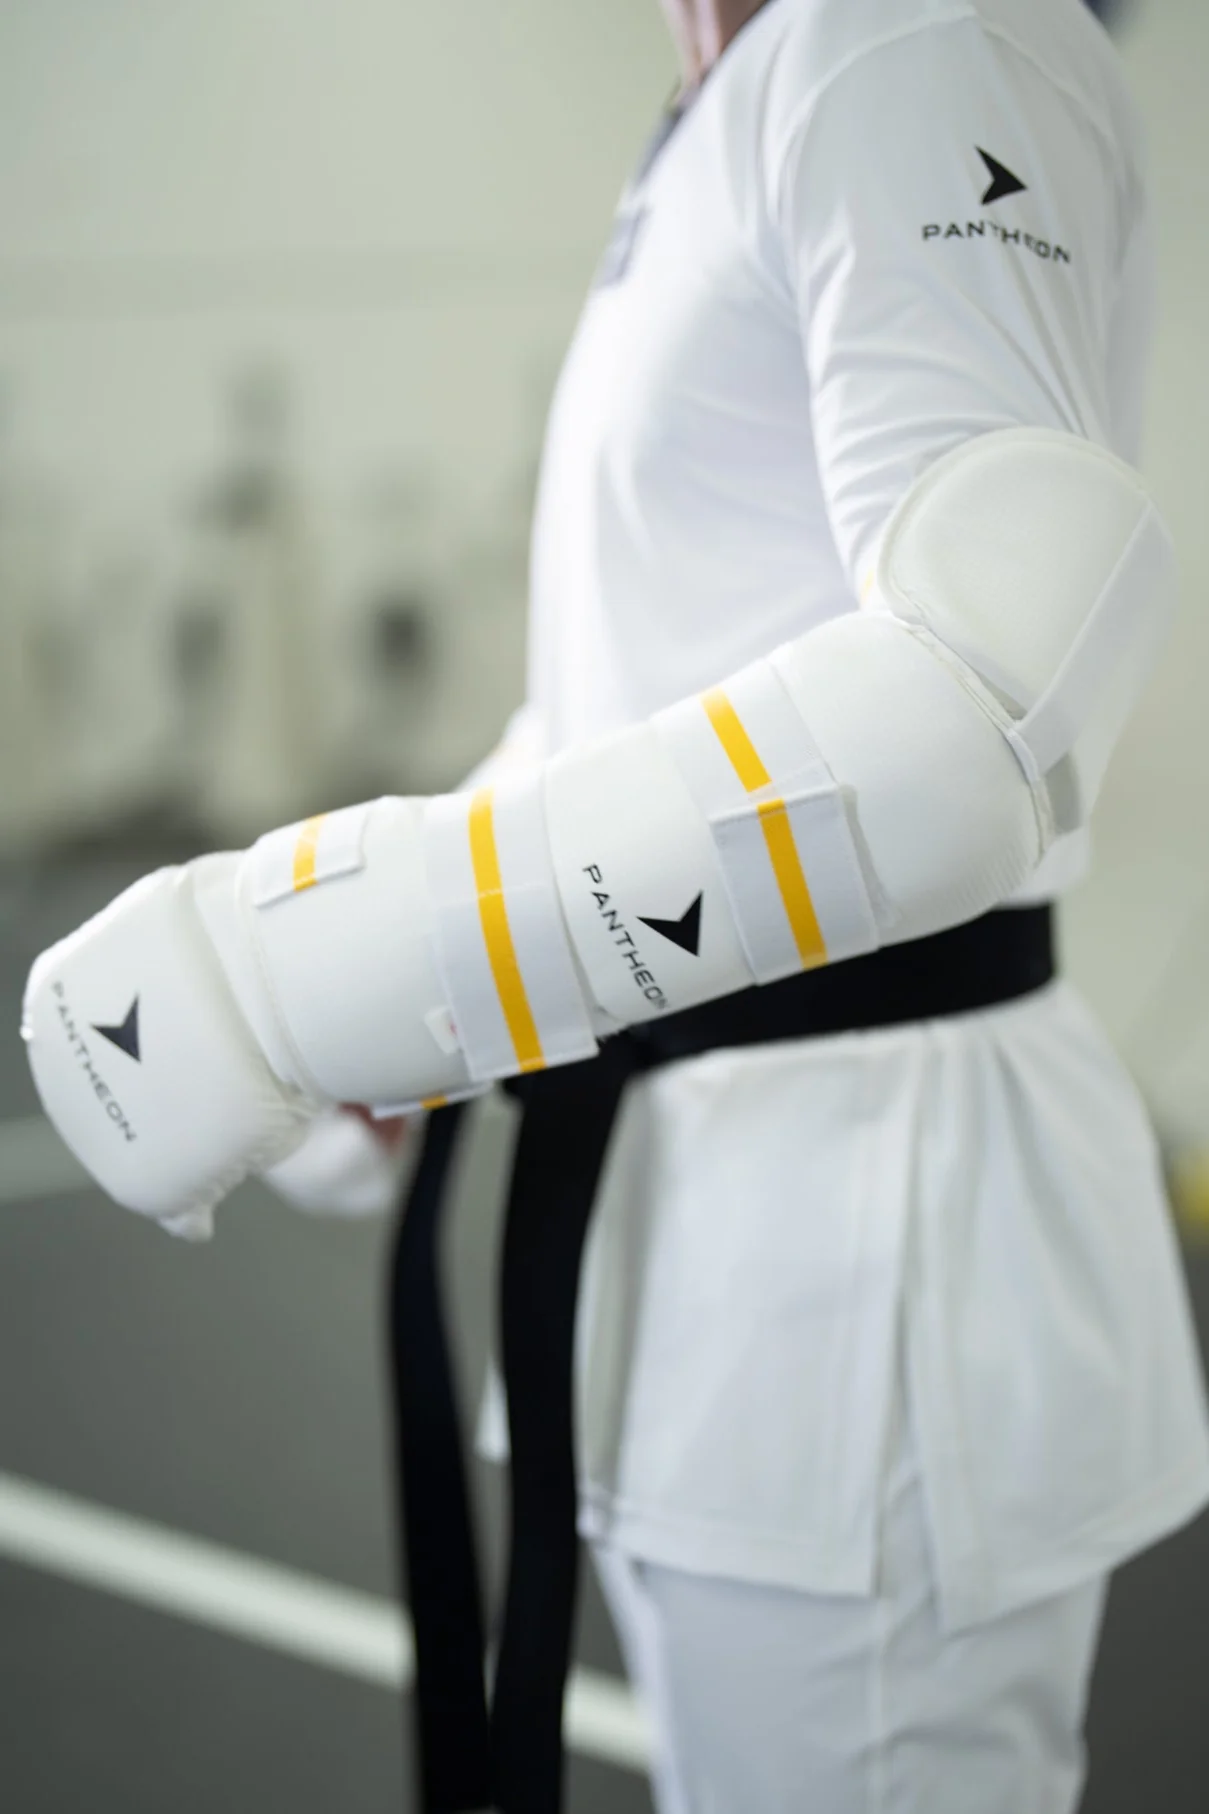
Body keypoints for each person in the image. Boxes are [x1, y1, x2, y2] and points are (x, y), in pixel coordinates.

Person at [23, 1, 1209, 1809]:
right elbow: (646, 682)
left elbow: (977, 698)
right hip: (710, 1217)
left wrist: (305, 964)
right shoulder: (734, 89)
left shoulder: (919, 32)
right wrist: (393, 1021)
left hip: (863, 1250)